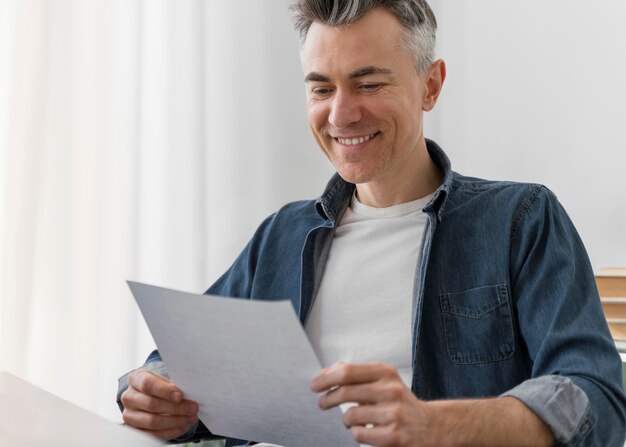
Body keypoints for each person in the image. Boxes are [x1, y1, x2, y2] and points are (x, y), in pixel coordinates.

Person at [117, 1, 626, 445]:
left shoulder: (519, 221)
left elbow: (597, 398)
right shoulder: (282, 235)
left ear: (430, 85)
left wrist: (436, 426)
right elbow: (178, 363)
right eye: (321, 89)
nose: (341, 115)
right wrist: (152, 390)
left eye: (369, 83)